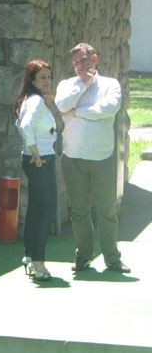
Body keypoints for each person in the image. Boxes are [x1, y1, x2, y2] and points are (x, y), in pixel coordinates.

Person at [54, 42, 130, 273]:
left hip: (102, 157)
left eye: (84, 60)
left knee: (106, 210)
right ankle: (83, 255)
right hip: (73, 157)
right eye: (76, 62)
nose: (80, 66)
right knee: (79, 211)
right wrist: (82, 85)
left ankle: (112, 258)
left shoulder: (110, 84)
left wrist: (77, 112)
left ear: (95, 58)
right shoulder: (67, 85)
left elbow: (108, 108)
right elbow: (62, 105)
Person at [14, 59, 60, 281]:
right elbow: (25, 127)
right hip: (40, 162)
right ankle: (38, 262)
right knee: (45, 210)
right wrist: (35, 154)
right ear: (31, 80)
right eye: (42, 77)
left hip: (37, 160)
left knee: (36, 209)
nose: (47, 81)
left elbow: (54, 127)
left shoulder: (36, 100)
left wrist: (51, 106)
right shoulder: (35, 101)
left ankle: (30, 256)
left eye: (49, 77)